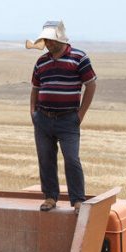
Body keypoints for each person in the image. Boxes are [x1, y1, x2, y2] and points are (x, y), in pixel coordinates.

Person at [27, 20, 97, 211]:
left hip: (68, 120)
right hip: (43, 118)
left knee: (72, 159)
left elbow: (90, 85)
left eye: (50, 40)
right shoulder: (41, 61)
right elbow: (35, 88)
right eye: (45, 40)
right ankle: (50, 197)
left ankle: (77, 201)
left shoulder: (79, 58)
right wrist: (33, 113)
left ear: (60, 40)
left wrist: (80, 115)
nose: (48, 44)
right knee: (45, 158)